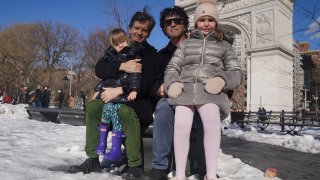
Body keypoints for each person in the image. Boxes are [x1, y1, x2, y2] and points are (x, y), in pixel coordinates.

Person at [68, 8, 157, 179]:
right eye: (136, 28)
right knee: (93, 107)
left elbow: (147, 82)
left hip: (136, 99)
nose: (139, 32)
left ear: (148, 33)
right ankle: (93, 159)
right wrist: (122, 66)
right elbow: (100, 69)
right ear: (130, 28)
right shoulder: (115, 49)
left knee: (124, 112)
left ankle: (135, 165)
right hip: (111, 97)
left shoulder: (150, 53)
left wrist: (120, 90)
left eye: (144, 30)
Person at [164, 0, 243, 179]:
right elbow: (172, 68)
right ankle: (180, 174)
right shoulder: (185, 45)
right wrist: (172, 83)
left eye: (210, 19)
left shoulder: (225, 46)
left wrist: (222, 80)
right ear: (196, 22)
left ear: (216, 22)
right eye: (202, 19)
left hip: (210, 90)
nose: (206, 23)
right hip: (185, 89)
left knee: (211, 122)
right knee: (181, 124)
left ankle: (211, 173)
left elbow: (236, 72)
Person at [143, 6, 207, 180]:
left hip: (197, 98)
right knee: (162, 107)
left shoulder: (201, 48)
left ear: (185, 25)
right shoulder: (160, 56)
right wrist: (159, 89)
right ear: (163, 28)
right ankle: (159, 167)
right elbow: (152, 84)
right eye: (168, 22)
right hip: (172, 100)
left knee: (207, 111)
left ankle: (204, 168)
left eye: (177, 20)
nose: (172, 24)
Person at [93, 28, 144, 163]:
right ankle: (102, 144)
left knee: (115, 115)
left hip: (122, 96)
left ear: (127, 39)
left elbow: (135, 76)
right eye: (116, 44)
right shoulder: (111, 58)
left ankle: (115, 149)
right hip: (111, 96)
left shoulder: (132, 55)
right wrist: (98, 90)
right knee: (105, 113)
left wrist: (133, 89)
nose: (120, 45)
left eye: (122, 41)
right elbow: (105, 78)